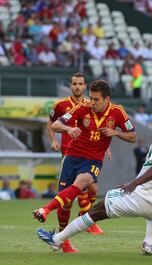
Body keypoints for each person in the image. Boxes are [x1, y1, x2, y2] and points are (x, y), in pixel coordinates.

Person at [36, 95, 152, 256]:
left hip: (141, 197)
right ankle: (149, 243)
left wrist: (133, 183)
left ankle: (57, 239)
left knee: (97, 209)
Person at [33, 80, 137, 252]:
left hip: (93, 160)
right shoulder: (82, 108)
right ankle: (63, 240)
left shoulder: (117, 112)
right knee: (66, 203)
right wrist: (68, 129)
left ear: (107, 99)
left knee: (83, 182)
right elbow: (55, 124)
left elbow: (133, 136)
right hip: (72, 157)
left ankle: (46, 209)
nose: (92, 102)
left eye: (96, 99)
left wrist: (116, 132)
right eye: (91, 98)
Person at [47, 73, 108, 252]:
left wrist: (106, 147)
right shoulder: (61, 105)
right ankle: (71, 232)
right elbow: (50, 122)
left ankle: (84, 218)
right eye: (74, 84)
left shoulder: (92, 106)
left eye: (80, 84)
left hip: (89, 155)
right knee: (71, 196)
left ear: (85, 86)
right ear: (70, 85)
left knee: (91, 189)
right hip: (69, 153)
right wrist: (53, 140)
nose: (77, 87)